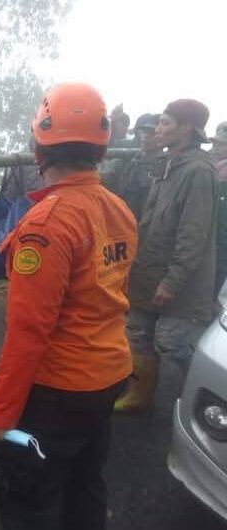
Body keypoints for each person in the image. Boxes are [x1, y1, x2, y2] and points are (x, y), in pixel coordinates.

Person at [0, 83, 137, 530]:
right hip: (107, 375)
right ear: (100, 150)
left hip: (57, 392)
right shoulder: (117, 209)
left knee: (28, 493)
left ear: (38, 148)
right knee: (85, 483)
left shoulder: (45, 226)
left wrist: (0, 413)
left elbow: (29, 332)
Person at [116, 99, 218, 412]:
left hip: (178, 280)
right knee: (138, 332)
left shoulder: (198, 172)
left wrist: (173, 281)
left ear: (186, 129)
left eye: (165, 123)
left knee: (176, 343)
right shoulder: (166, 166)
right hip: (148, 270)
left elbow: (193, 234)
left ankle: (211, 404)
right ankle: (140, 396)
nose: (157, 129)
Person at [103, 113, 162, 219]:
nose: (145, 136)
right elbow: (106, 178)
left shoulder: (167, 167)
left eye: (152, 132)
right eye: (143, 131)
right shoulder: (128, 162)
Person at [210, 122, 227, 293]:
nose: (215, 147)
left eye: (220, 144)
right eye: (213, 143)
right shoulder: (212, 167)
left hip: (221, 244)